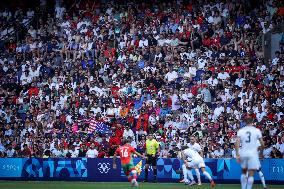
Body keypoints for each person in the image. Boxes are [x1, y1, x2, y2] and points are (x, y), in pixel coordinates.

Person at [235, 117, 265, 189]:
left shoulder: (241, 131)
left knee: (244, 172)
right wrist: (261, 153)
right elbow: (262, 144)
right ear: (252, 122)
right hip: (253, 154)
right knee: (251, 173)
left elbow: (237, 143)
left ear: (245, 122)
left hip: (244, 153)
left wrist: (237, 154)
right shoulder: (257, 131)